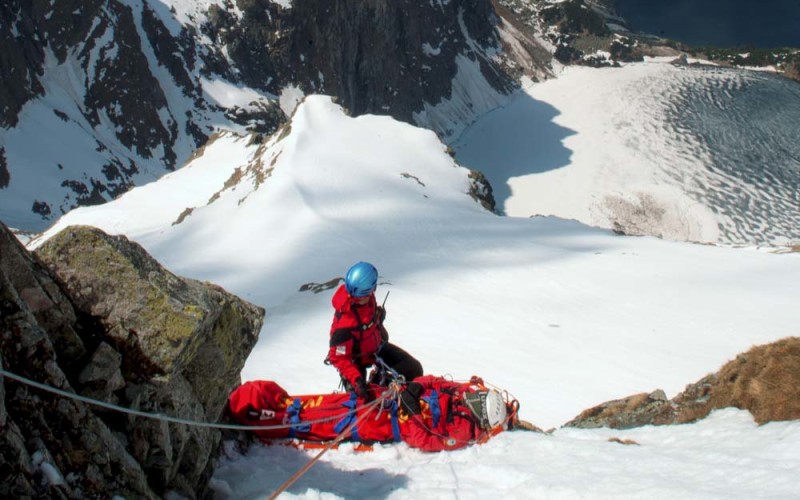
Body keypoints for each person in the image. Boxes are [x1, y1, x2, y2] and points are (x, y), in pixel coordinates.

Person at [327, 261, 423, 399]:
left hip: (374, 349)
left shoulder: (367, 299)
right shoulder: (344, 326)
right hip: (354, 360)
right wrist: (356, 380)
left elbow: (365, 321)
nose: (372, 293)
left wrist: (377, 321)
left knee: (413, 369)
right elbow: (339, 357)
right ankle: (374, 385)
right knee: (362, 398)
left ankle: (379, 381)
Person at [398, 375, 510, 452]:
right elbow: (434, 380)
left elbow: (425, 442)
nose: (476, 393)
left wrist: (413, 412)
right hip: (401, 393)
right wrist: (417, 385)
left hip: (396, 420)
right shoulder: (465, 393)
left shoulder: (461, 432)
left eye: (480, 397)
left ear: (482, 412)